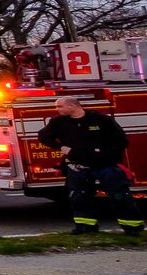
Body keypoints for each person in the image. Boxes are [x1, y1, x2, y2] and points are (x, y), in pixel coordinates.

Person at [36, 95, 140, 235]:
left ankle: (132, 227)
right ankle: (85, 226)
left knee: (119, 195)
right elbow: (43, 136)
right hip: (77, 166)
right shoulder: (58, 122)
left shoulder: (101, 120)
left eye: (60, 106)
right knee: (79, 197)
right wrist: (60, 147)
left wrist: (107, 156)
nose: (57, 109)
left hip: (106, 165)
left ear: (72, 105)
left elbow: (121, 140)